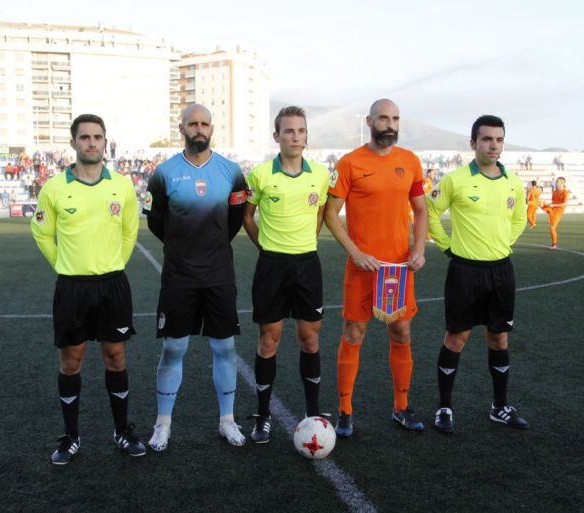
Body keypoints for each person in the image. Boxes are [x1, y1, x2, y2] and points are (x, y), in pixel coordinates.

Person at [31, 114, 143, 465]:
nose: (91, 143)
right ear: (74, 143)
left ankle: (122, 430)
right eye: (84, 137)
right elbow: (41, 232)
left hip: (113, 285)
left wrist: (115, 263)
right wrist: (64, 264)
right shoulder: (54, 188)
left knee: (116, 357)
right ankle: (71, 436)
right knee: (71, 361)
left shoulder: (122, 186)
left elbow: (129, 232)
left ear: (105, 141)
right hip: (72, 288)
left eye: (97, 137)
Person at [143, 104, 248, 451]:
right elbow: (156, 221)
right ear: (182, 128)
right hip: (179, 274)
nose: (199, 129)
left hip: (219, 273)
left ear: (212, 128)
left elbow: (234, 220)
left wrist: (212, 246)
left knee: (226, 347)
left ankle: (227, 421)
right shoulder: (164, 173)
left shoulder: (232, 172)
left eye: (204, 124)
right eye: (193, 124)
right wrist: (182, 249)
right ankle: (163, 424)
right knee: (174, 347)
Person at [324, 98, 428, 437]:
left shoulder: (410, 161)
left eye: (395, 118)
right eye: (383, 118)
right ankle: (345, 411)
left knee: (401, 333)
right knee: (354, 334)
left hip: (399, 270)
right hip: (362, 269)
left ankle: (401, 408)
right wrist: (355, 252)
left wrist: (418, 248)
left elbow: (422, 210)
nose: (390, 124)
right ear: (370, 120)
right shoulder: (351, 162)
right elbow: (330, 213)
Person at [426, 115, 529, 434]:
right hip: (465, 271)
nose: (493, 145)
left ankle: (499, 407)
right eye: (486, 139)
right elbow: (430, 212)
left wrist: (502, 244)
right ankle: (444, 407)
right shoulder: (455, 179)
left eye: (499, 139)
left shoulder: (513, 182)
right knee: (457, 337)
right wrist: (447, 246)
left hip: (501, 270)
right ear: (473, 143)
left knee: (499, 336)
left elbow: (520, 218)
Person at [242, 106, 330, 443]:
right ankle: (263, 416)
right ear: (276, 136)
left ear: (307, 135)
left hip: (307, 265)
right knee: (269, 339)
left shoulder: (320, 175)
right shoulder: (260, 175)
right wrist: (264, 246)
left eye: (301, 131)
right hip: (272, 266)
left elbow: (321, 212)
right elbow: (247, 217)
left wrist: (307, 242)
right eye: (289, 131)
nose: (296, 137)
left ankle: (312, 413)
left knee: (310, 338)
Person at [541, 177, 569, 249]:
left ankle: (554, 244)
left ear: (562, 183)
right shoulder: (555, 191)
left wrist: (554, 205)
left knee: (552, 227)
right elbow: (553, 202)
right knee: (540, 203)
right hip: (552, 208)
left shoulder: (565, 192)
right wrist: (548, 204)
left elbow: (565, 204)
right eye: (556, 182)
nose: (556, 183)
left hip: (558, 211)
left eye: (558, 182)